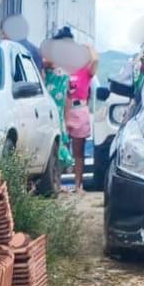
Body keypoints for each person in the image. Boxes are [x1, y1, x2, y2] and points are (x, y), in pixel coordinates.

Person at [56, 28, 97, 193]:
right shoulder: (59, 67)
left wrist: (89, 48)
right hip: (61, 111)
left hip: (79, 110)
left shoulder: (84, 68)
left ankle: (78, 185)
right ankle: (57, 184)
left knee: (78, 152)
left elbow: (95, 62)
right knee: (59, 148)